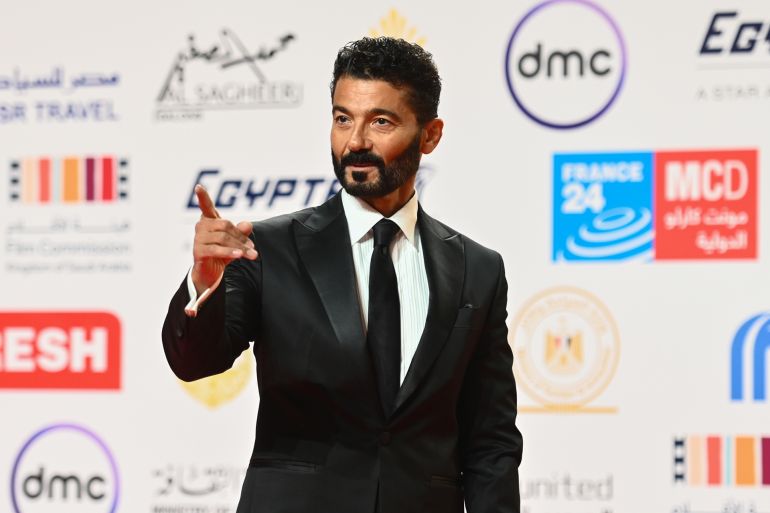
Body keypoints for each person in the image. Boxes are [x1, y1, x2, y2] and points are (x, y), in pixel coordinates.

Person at [162, 36, 523, 513]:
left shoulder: (478, 269)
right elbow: (195, 361)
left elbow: (490, 439)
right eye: (342, 118)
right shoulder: (267, 248)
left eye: (380, 121)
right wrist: (204, 284)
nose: (355, 142)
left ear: (430, 135)